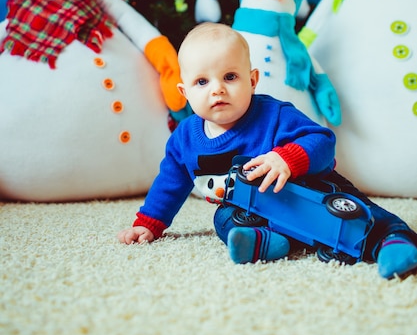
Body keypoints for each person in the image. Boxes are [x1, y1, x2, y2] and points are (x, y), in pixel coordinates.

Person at [118, 22, 417, 279]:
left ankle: (392, 240)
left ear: (252, 80)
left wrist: (286, 157)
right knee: (225, 218)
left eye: (230, 77)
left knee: (352, 209)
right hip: (256, 209)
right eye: (201, 81)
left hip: (312, 187)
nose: (217, 89)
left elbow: (322, 141)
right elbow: (169, 184)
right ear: (184, 93)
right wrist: (149, 224)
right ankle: (267, 241)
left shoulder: (274, 115)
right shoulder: (184, 139)